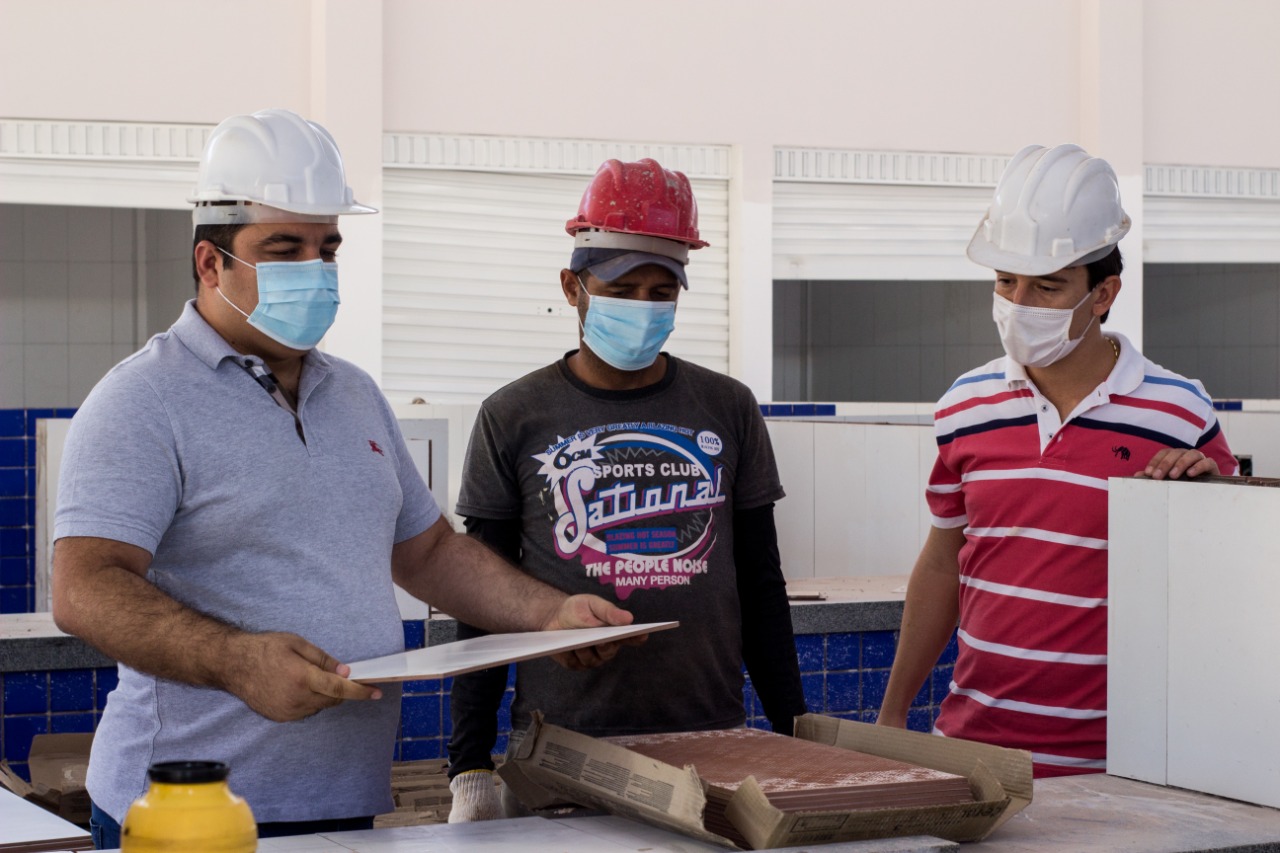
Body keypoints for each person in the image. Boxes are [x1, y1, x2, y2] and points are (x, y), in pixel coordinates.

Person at [50, 109, 634, 847]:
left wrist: (548, 613)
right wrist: (237, 660)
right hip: (184, 815)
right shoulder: (142, 399)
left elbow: (426, 553)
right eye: (284, 248)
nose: (315, 269)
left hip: (345, 806)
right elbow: (84, 586)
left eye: (327, 247)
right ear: (210, 263)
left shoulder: (354, 393)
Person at [445, 158, 807, 821]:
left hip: (708, 744)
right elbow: (480, 598)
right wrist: (469, 763)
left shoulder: (726, 408)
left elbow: (761, 583)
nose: (643, 308)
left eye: (660, 291)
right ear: (572, 285)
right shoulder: (514, 415)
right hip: (562, 752)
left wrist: (796, 730)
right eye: (621, 288)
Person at [876, 143, 1237, 778]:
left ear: (1104, 294)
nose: (1018, 304)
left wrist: (1204, 503)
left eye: (1046, 287)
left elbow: (1225, 584)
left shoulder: (1178, 414)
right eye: (1004, 281)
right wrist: (892, 715)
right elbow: (942, 565)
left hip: (1122, 767)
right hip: (972, 753)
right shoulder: (965, 404)